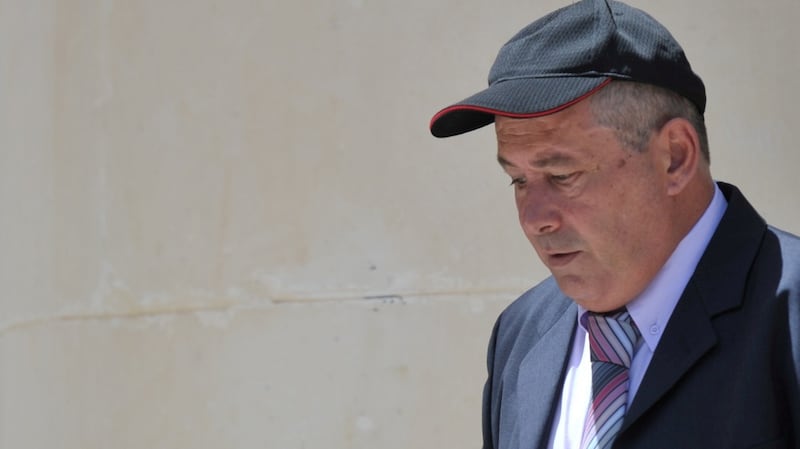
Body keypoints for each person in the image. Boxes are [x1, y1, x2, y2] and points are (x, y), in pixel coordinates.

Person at [429, 0, 800, 448]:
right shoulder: (523, 334)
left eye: (563, 175)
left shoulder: (789, 318)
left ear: (675, 157)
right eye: (518, 180)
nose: (533, 219)